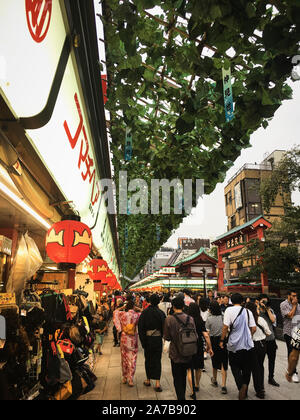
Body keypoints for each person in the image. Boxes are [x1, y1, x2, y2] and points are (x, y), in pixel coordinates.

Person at [220, 293, 256, 400]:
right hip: (248, 346)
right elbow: (254, 328)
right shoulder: (248, 312)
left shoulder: (229, 311)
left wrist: (222, 340)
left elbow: (225, 327)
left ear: (231, 301)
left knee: (235, 367)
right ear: (242, 301)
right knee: (246, 368)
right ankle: (245, 386)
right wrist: (248, 336)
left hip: (234, 345)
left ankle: (241, 386)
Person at [163, 296, 197, 400]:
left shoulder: (169, 319)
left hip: (176, 354)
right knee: (185, 375)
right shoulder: (190, 318)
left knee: (178, 378)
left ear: (173, 307)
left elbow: (167, 337)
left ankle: (181, 397)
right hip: (188, 352)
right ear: (183, 306)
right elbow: (195, 335)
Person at [138, 294, 166, 392]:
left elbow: (140, 328)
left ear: (149, 301)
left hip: (148, 340)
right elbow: (164, 328)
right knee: (157, 360)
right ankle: (157, 383)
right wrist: (162, 336)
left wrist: (143, 341)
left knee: (148, 359)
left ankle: (148, 380)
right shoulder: (161, 313)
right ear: (158, 302)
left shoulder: (144, 313)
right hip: (157, 339)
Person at [246, 302, 272, 399]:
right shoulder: (261, 319)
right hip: (262, 345)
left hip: (250, 345)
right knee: (260, 366)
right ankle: (260, 388)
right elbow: (268, 333)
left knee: (252, 368)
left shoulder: (246, 320)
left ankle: (253, 389)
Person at [187, 302, 213, 398]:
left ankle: (192, 389)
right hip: (198, 345)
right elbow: (206, 335)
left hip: (189, 345)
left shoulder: (186, 320)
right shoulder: (200, 320)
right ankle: (197, 384)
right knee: (198, 367)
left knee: (190, 368)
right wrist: (209, 347)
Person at [114, 300, 141, 387]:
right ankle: (130, 379)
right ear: (133, 307)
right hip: (133, 339)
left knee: (124, 357)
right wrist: (138, 308)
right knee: (132, 358)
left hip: (124, 337)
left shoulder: (122, 314)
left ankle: (124, 377)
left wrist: (122, 307)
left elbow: (115, 312)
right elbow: (144, 312)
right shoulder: (136, 315)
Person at [256, 294, 280, 387]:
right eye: (263, 301)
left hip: (271, 339)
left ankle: (271, 378)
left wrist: (267, 309)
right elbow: (256, 317)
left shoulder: (270, 310)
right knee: (260, 362)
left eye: (266, 301)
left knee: (272, 360)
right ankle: (259, 379)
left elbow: (273, 320)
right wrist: (259, 306)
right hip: (261, 340)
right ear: (258, 301)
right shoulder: (256, 310)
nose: (265, 303)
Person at [206, 301, 229, 394]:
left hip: (213, 341)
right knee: (224, 363)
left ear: (211, 309)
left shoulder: (209, 319)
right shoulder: (223, 317)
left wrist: (208, 346)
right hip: (223, 341)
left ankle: (215, 380)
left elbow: (207, 333)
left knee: (214, 361)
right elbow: (226, 329)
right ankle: (223, 385)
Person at [280, 290, 300, 383]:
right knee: (292, 352)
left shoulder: (298, 304)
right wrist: (294, 305)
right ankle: (293, 372)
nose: (295, 297)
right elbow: (290, 316)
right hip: (288, 332)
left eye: (296, 296)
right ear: (288, 296)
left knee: (296, 353)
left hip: (297, 331)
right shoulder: (284, 304)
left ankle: (292, 371)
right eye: (293, 295)